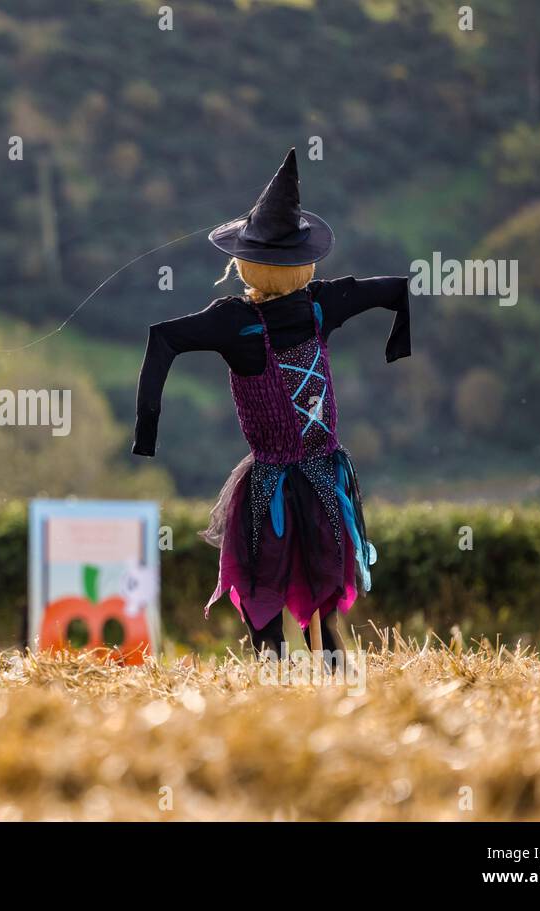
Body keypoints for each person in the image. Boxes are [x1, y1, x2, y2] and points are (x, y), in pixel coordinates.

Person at [132, 148, 412, 660]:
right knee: (326, 592)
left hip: (269, 487)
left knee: (264, 588)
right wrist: (400, 344)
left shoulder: (233, 322)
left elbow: (162, 339)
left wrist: (146, 433)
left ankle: (273, 680)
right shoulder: (324, 303)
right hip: (328, 479)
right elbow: (396, 289)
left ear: (244, 262)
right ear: (304, 262)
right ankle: (337, 684)